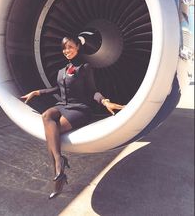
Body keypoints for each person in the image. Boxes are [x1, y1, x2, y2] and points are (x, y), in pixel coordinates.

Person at [21, 35, 124, 199]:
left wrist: (104, 101)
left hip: (79, 109)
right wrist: (36, 92)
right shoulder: (62, 70)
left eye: (69, 47)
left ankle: (58, 175)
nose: (66, 51)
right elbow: (57, 89)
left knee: (52, 135)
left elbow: (92, 90)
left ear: (77, 47)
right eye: (64, 48)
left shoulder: (84, 67)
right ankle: (59, 163)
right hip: (63, 106)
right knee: (47, 115)